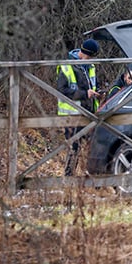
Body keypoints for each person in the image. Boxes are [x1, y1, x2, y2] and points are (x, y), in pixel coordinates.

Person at [57, 38, 102, 176]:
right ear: (87, 54)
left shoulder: (90, 67)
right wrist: (85, 94)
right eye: (91, 56)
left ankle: (88, 176)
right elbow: (62, 90)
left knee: (92, 145)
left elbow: (93, 85)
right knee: (73, 147)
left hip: (88, 112)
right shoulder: (67, 66)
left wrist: (98, 92)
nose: (91, 59)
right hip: (72, 114)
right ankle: (69, 177)